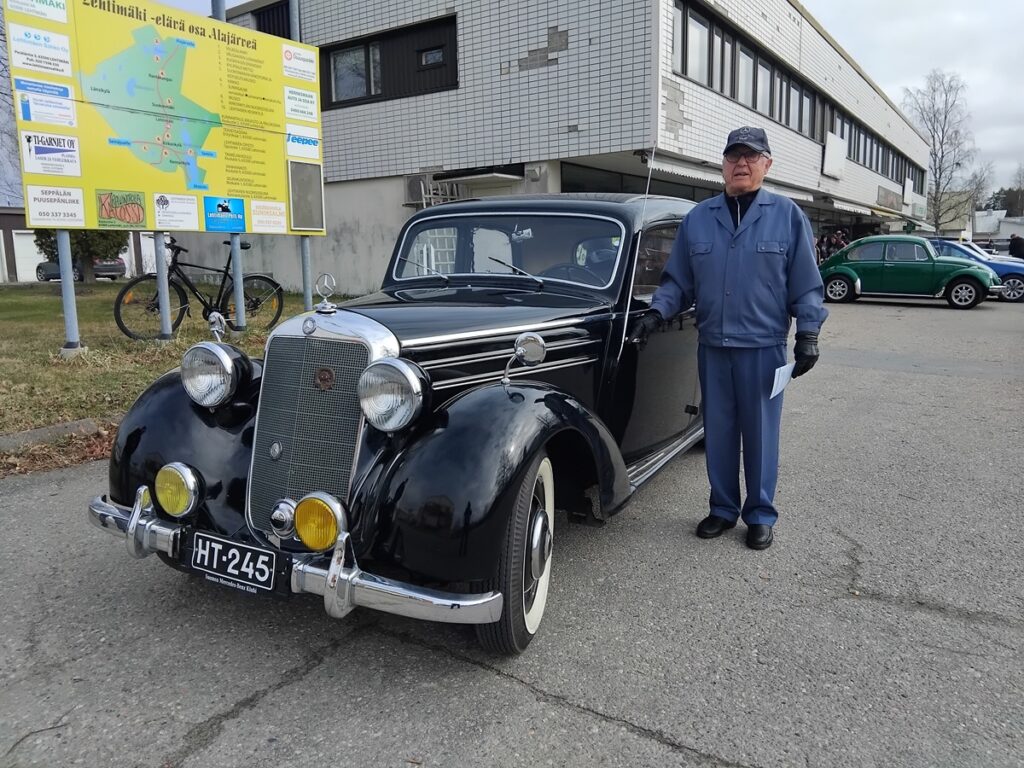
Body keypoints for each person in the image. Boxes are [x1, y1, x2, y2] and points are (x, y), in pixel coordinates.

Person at [627, 126, 828, 550]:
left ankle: (759, 514)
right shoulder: (699, 219)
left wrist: (808, 332)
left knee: (759, 435)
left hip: (764, 347)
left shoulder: (788, 216)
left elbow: (806, 284)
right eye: (734, 157)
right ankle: (722, 508)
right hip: (713, 347)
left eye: (751, 157)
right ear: (722, 165)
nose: (741, 164)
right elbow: (677, 280)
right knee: (716, 432)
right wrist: (655, 313)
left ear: (766, 165)